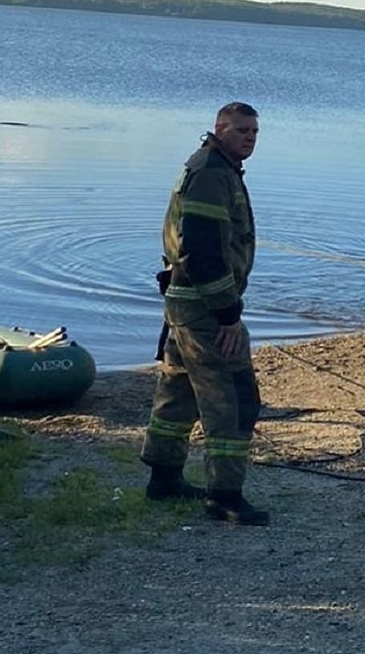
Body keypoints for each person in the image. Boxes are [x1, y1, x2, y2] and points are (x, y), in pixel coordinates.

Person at [140, 102, 269, 526]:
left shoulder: (213, 165)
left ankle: (164, 477)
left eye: (254, 131)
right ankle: (225, 497)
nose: (249, 137)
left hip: (184, 301)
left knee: (178, 390)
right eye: (240, 130)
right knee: (231, 398)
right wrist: (228, 314)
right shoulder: (212, 173)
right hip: (204, 307)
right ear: (220, 128)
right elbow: (203, 248)